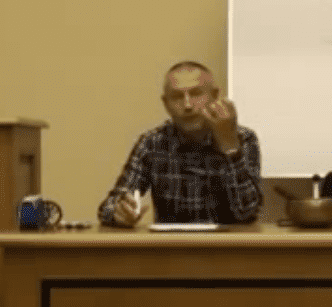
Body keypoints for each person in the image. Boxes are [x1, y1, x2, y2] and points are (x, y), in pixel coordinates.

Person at [97, 61, 263, 227]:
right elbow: (108, 207)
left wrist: (230, 146)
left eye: (196, 94)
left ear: (214, 95)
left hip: (228, 242)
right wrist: (119, 212)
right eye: (177, 96)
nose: (188, 105)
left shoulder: (243, 138)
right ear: (165, 103)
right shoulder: (152, 143)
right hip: (172, 243)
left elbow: (247, 212)